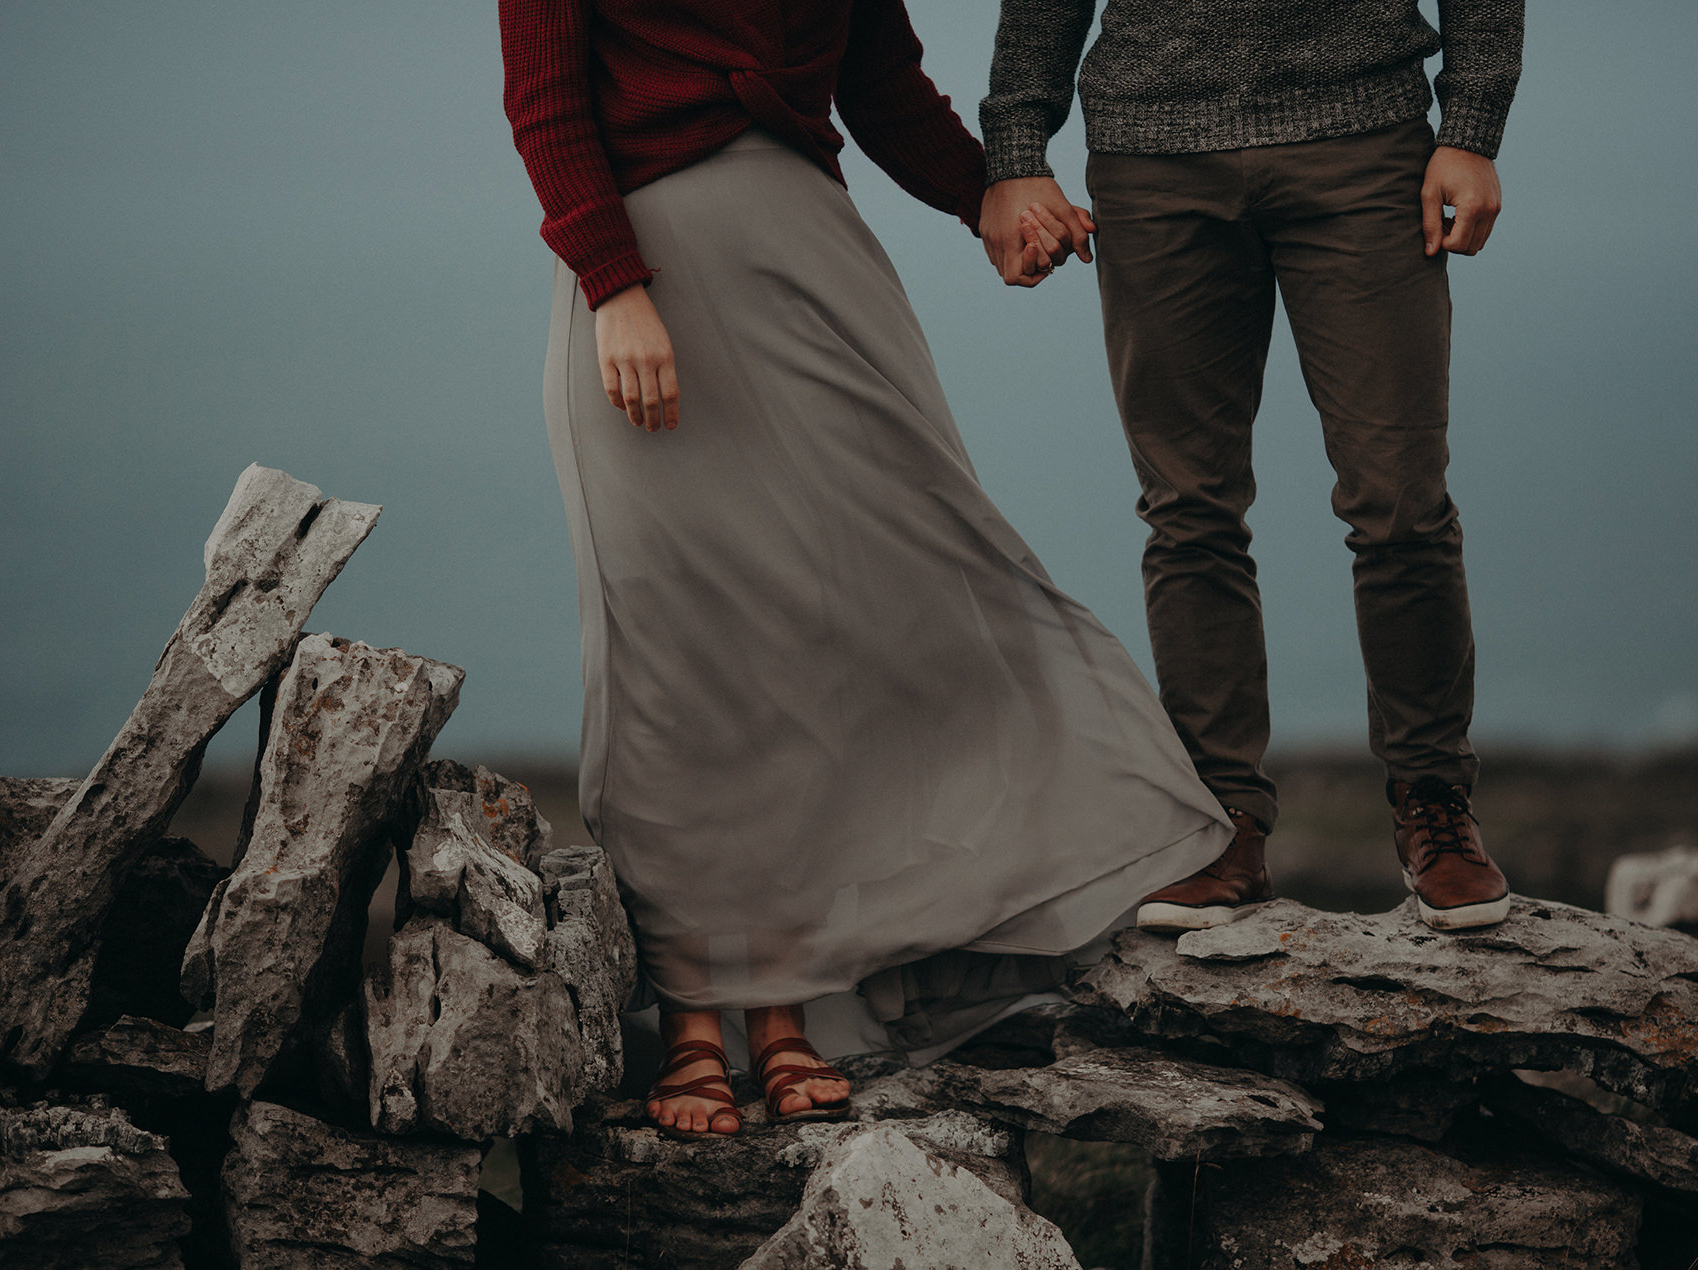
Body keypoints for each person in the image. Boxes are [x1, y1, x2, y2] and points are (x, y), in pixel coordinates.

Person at [498, 0, 1232, 1138]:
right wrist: (612, 282)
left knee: (842, 626)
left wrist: (987, 192)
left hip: (811, 275)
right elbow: (544, 102)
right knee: (673, 647)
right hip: (641, 293)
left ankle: (789, 1004)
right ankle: (700, 1012)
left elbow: (883, 81)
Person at [978, 0, 1524, 932]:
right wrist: (1018, 149)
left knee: (1400, 503)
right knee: (1189, 511)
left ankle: (1434, 805)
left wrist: (1472, 125)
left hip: (1363, 139)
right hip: (1151, 159)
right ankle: (1220, 826)